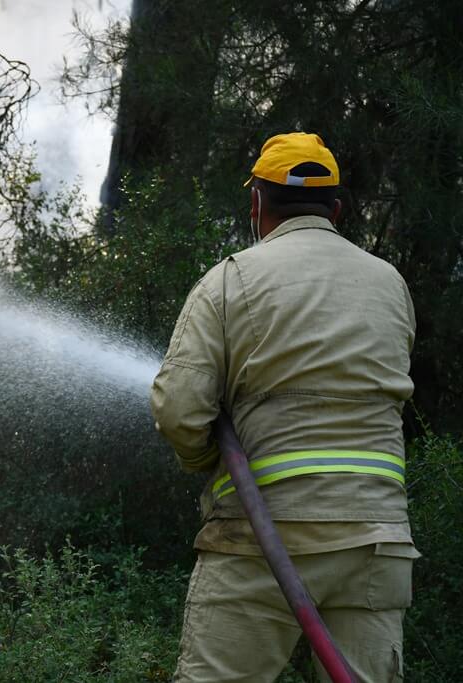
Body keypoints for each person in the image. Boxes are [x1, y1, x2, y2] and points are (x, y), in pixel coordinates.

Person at [150, 132, 419, 683]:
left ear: (257, 205)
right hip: (376, 542)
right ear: (336, 209)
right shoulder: (390, 284)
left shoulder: (230, 280)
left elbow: (179, 410)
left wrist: (203, 460)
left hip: (260, 536)